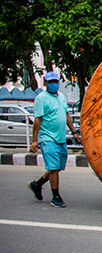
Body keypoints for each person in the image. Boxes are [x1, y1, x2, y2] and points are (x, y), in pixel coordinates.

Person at [28, 71, 81, 208]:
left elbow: (67, 115)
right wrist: (35, 141)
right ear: (46, 83)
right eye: (50, 82)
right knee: (53, 167)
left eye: (55, 82)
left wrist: (74, 132)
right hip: (47, 137)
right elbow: (37, 120)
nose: (53, 84)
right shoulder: (41, 98)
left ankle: (37, 184)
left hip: (61, 138)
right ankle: (56, 197)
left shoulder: (62, 97)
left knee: (56, 168)